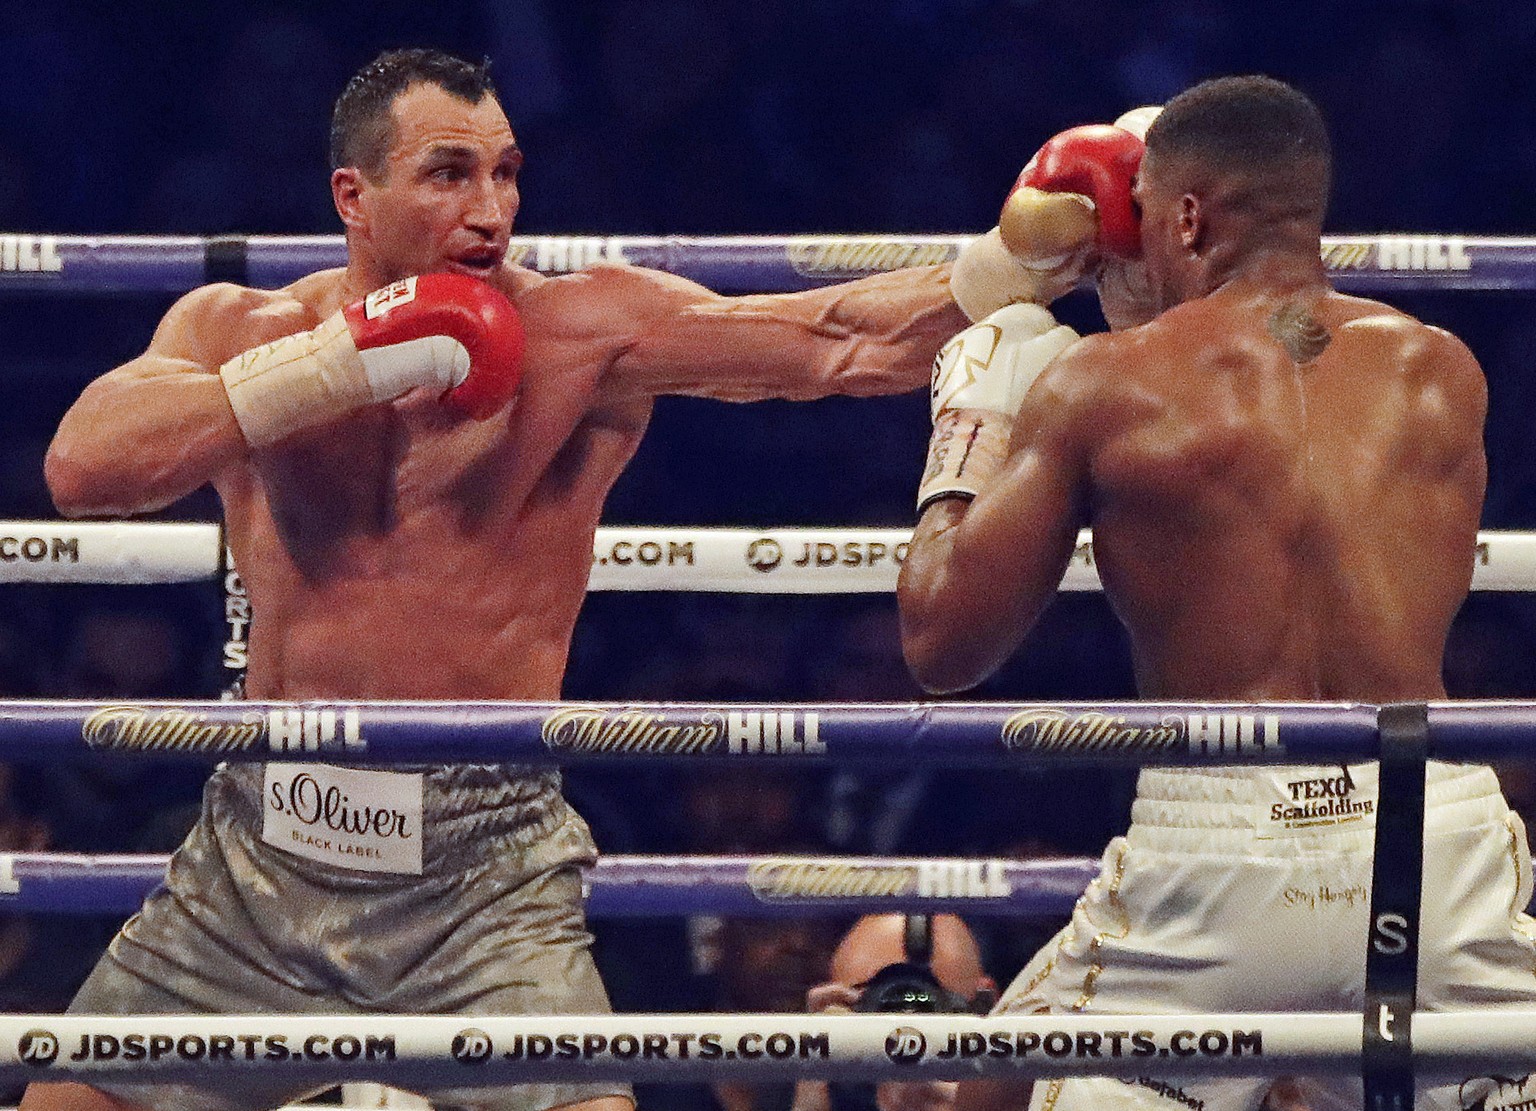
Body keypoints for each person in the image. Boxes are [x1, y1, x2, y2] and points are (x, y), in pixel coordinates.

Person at [26, 47, 975, 1111]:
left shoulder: (578, 334)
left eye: (508, 173)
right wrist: (346, 363)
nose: (492, 209)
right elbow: (83, 467)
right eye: (448, 174)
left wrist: (1020, 273)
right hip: (260, 856)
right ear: (354, 195)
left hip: (486, 872)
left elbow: (837, 343)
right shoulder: (241, 330)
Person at [898, 76, 1533, 1111]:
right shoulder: (1442, 372)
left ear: (1185, 217)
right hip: (1434, 836)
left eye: (1142, 223)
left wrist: (972, 423)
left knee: (989, 1092)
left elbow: (939, 642)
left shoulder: (1106, 387)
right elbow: (1292, 396)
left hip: (1224, 852)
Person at [793, 914, 995, 1111]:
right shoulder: (783, 1085)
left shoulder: (1024, 1071)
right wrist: (814, 1072)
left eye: (926, 1007)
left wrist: (977, 1103)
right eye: (882, 1006)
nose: (904, 1041)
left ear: (987, 1005)